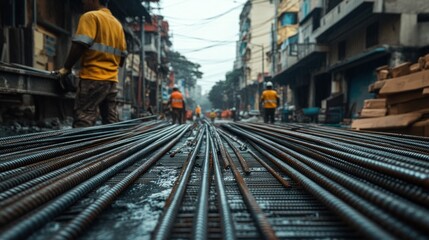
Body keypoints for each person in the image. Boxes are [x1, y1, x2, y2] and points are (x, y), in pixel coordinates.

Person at [56, 0, 127, 128]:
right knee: (111, 122)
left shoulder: (90, 16)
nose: (82, 2)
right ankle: (113, 147)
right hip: (111, 81)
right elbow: (122, 58)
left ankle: (82, 148)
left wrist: (66, 68)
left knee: (84, 118)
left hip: (93, 78)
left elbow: (79, 45)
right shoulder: (117, 25)